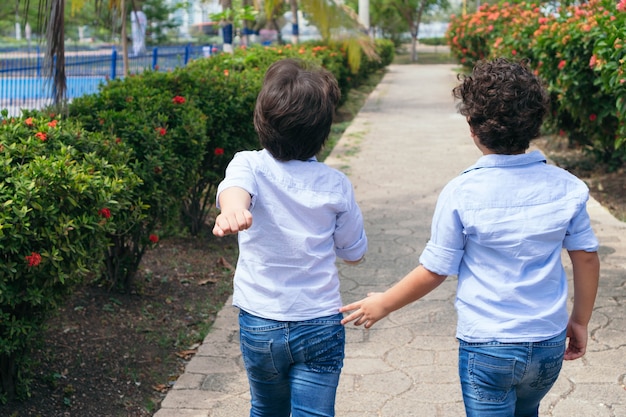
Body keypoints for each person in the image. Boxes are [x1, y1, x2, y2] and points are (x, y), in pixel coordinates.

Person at [340, 58, 600, 417]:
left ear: (472, 127)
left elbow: (435, 270)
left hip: (487, 349)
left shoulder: (462, 192)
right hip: (546, 343)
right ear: (535, 124)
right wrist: (580, 320)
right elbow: (586, 256)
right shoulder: (567, 187)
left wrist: (384, 303)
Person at [212, 58, 368, 417]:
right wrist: (233, 205)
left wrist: (233, 211)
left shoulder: (248, 163)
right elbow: (353, 253)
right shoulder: (335, 184)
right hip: (320, 324)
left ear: (261, 122)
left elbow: (235, 189)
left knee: (266, 409)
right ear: (324, 130)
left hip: (260, 321)